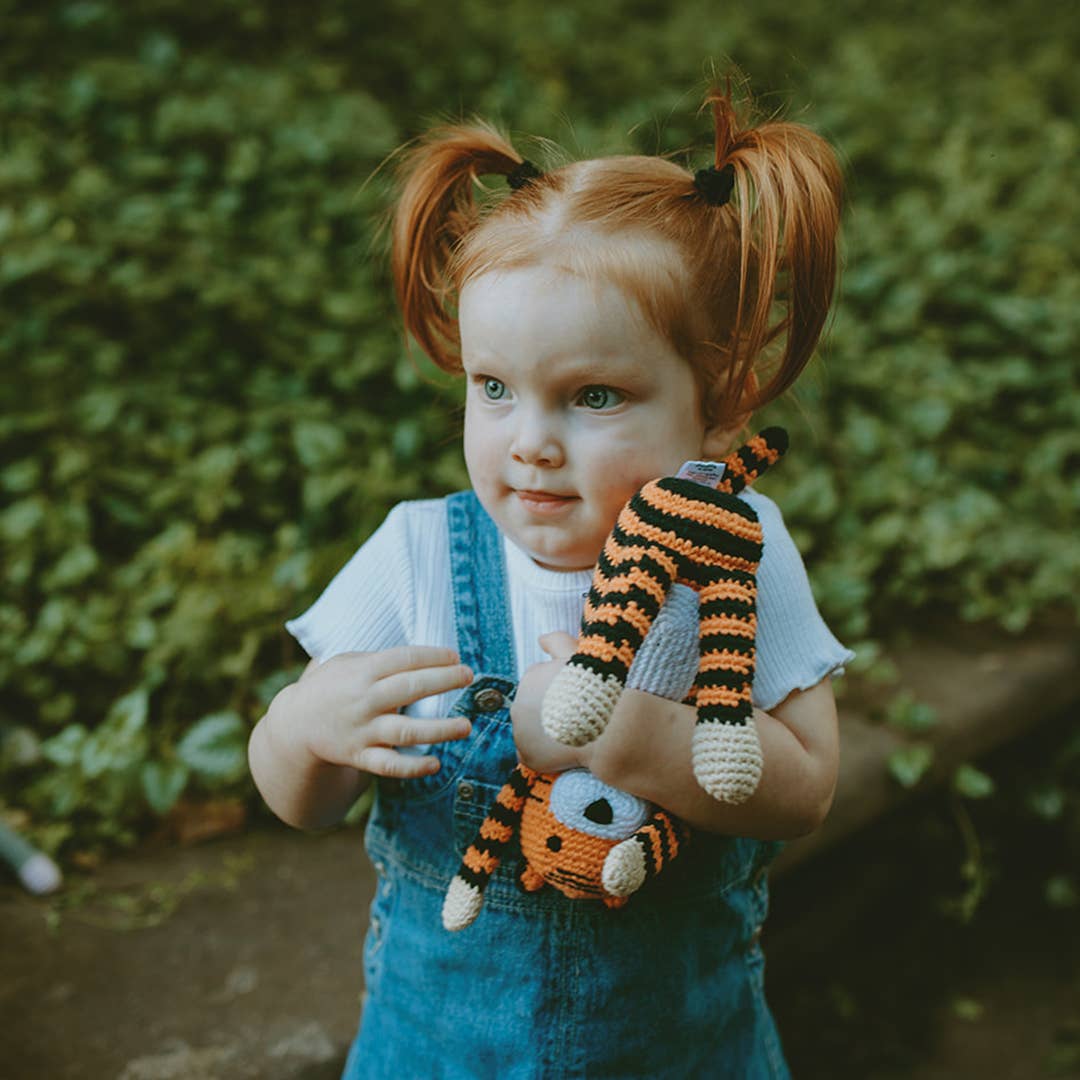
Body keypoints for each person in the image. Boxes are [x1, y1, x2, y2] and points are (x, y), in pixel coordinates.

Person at [248, 83, 853, 1079]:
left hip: (682, 1050)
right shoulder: (417, 556)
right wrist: (303, 733)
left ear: (720, 401)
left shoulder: (735, 547)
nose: (528, 444)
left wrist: (626, 732)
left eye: (593, 397)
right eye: (494, 389)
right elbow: (300, 801)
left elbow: (806, 787)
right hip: (437, 1052)